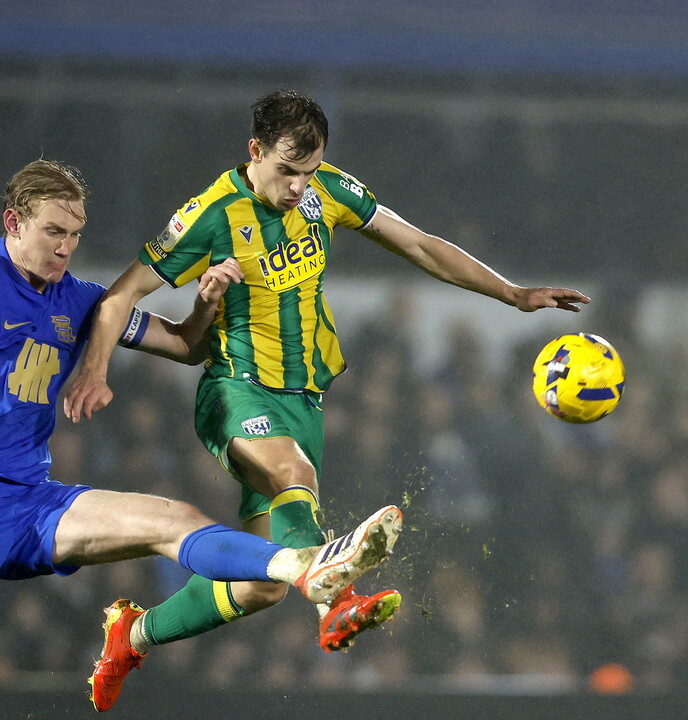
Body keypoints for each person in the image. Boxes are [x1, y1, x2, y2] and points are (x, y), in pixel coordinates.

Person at [0, 159, 403, 720]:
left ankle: (303, 565)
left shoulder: (79, 299)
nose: (66, 248)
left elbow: (184, 346)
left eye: (75, 235)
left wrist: (207, 302)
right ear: (14, 223)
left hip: (32, 500)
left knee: (173, 518)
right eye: (54, 232)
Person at [64, 89, 591, 705]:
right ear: (255, 150)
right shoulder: (210, 213)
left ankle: (135, 634)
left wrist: (514, 294)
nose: (297, 187)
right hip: (236, 390)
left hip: (305, 400)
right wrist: (95, 371)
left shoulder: (327, 192)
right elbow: (120, 295)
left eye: (308, 172)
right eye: (287, 171)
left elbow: (419, 245)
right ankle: (333, 603)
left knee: (259, 584)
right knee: (295, 473)